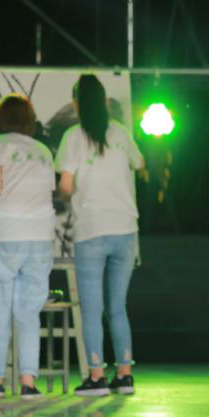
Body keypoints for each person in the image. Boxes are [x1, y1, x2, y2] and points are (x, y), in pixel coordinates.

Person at [56, 75, 145, 397]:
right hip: (125, 229)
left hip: (91, 229)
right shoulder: (120, 132)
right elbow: (140, 162)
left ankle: (96, 377)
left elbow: (66, 186)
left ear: (76, 104)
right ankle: (125, 375)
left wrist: (68, 195)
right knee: (117, 307)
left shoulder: (73, 137)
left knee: (91, 309)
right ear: (105, 101)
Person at [0, 94, 56, 400]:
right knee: (29, 312)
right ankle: (28, 382)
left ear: (1, 119)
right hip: (41, 236)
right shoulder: (43, 151)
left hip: (6, 233)